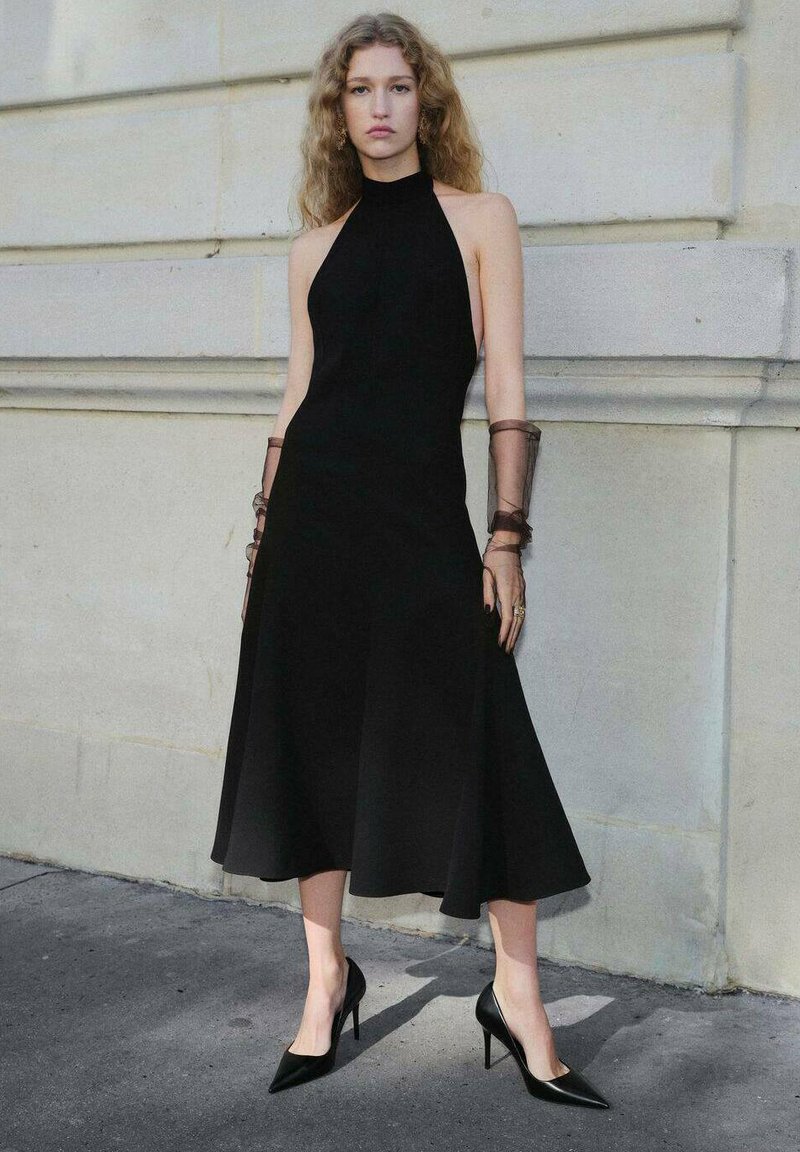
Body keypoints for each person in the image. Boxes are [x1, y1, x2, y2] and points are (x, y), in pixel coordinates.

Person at [210, 12, 609, 1109]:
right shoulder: (315, 246)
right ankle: (323, 983)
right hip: (312, 528)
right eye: (358, 90)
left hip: (421, 527)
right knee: (314, 744)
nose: (378, 107)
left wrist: (506, 536)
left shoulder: (481, 219)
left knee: (485, 738)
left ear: (424, 101)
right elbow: (296, 400)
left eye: (395, 86)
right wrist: (260, 542)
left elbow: (507, 390)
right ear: (336, 112)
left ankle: (517, 998)